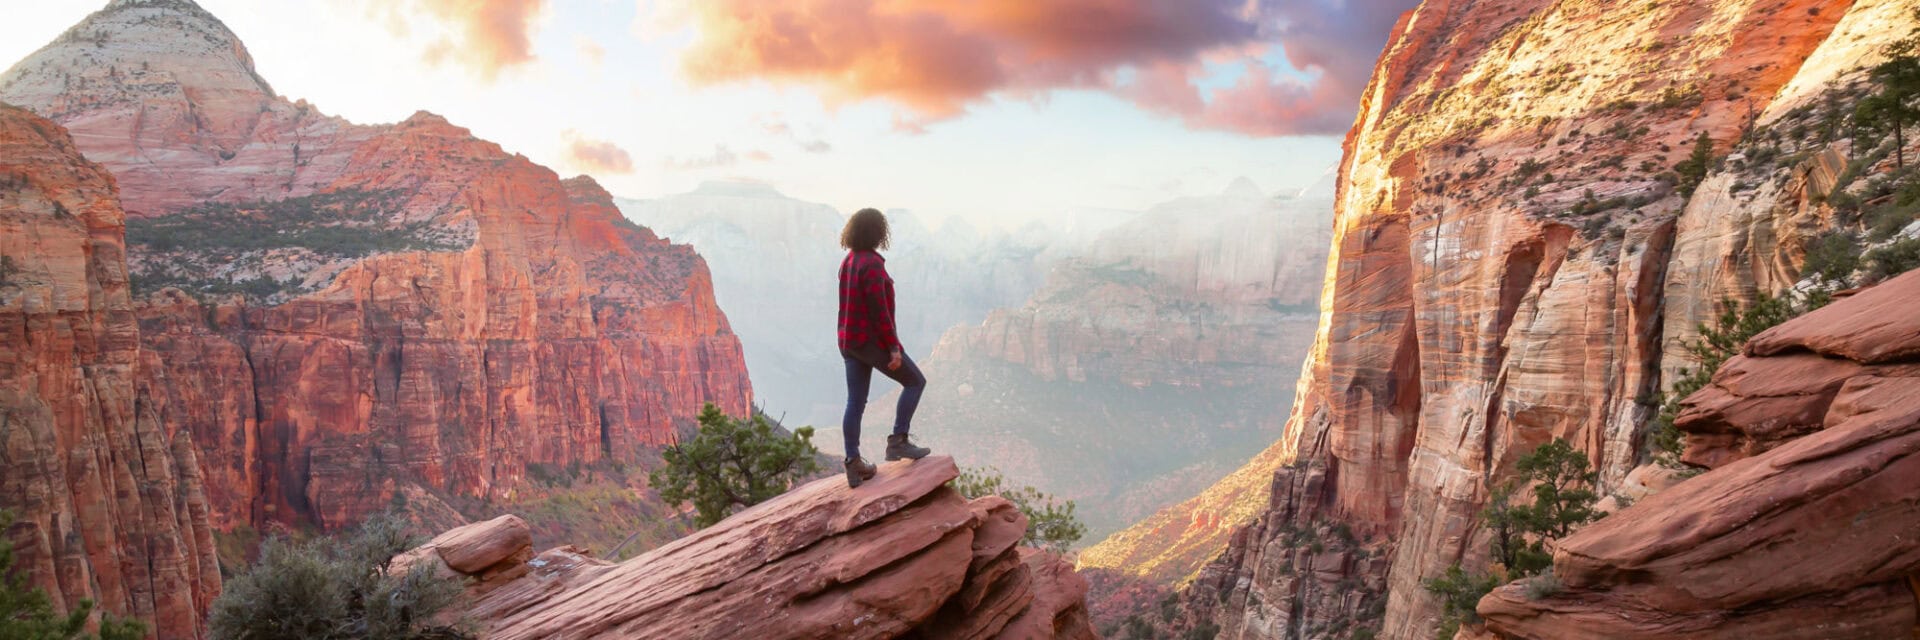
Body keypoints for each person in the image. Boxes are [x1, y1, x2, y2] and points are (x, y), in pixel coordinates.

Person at [837, 207, 931, 487]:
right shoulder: (873, 265)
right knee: (915, 382)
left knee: (855, 402)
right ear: (877, 233)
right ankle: (898, 441)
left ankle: (853, 463)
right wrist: (893, 348)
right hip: (869, 342)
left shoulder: (848, 261)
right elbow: (880, 312)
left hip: (848, 341)